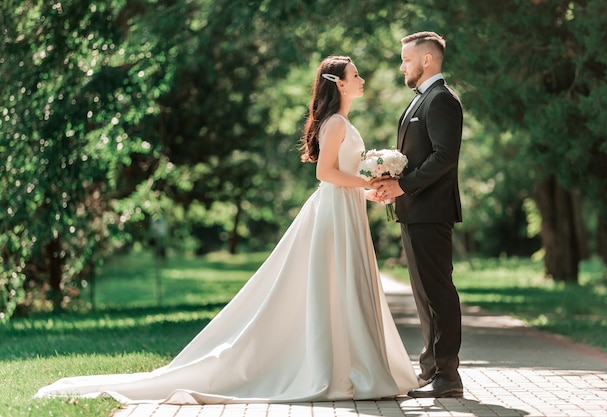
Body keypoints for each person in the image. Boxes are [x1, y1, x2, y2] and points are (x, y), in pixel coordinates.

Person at [35, 56, 418, 404]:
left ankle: (356, 363)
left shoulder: (344, 123)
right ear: (340, 83)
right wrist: (366, 185)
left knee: (344, 284)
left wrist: (371, 191)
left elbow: (342, 176)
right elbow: (325, 174)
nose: (363, 80)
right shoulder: (335, 123)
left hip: (345, 209)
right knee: (335, 284)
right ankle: (343, 369)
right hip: (334, 214)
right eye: (356, 76)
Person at [375, 32, 464, 398]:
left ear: (427, 60)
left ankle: (447, 377)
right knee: (424, 295)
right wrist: (388, 180)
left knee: (438, 293)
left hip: (431, 210)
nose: (402, 66)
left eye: (406, 60)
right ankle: (431, 370)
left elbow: (444, 157)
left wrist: (403, 185)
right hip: (414, 211)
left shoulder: (442, 100)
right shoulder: (421, 100)